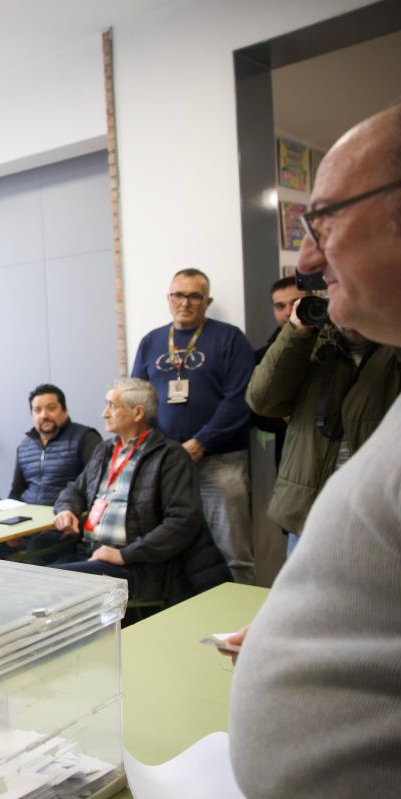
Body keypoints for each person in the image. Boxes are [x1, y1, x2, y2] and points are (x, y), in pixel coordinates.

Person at [228, 103, 401, 797]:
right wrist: (298, 635)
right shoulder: (315, 338)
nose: (305, 260)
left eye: (323, 221)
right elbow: (263, 398)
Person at [131, 268, 256, 584]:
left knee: (233, 551)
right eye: (179, 294)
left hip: (219, 462)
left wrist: (201, 442)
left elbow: (240, 399)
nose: (185, 302)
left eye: (194, 296)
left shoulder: (229, 338)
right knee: (170, 547)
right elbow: (138, 400)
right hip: (167, 464)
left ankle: (241, 612)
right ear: (168, 298)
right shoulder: (151, 341)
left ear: (207, 301)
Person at [246, 303, 401, 554]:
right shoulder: (312, 341)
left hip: (381, 512)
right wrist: (296, 333)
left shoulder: (391, 344)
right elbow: (262, 400)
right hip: (310, 511)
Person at [47, 378, 203, 602]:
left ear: (138, 413)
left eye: (111, 406)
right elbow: (74, 490)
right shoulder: (105, 450)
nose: (104, 413)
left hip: (135, 564)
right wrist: (66, 509)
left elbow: (183, 521)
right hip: (89, 551)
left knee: (49, 582)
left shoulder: (170, 456)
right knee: (29, 571)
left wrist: (124, 554)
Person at [250, 277, 308, 469]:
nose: (288, 312)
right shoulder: (263, 357)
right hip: (290, 452)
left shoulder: (334, 344)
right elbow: (257, 415)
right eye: (280, 306)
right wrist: (285, 416)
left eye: (295, 303)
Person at [9, 384, 102, 504]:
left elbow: (96, 487)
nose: (44, 415)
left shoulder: (86, 438)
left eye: (51, 408)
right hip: (28, 512)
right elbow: (16, 492)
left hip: (65, 511)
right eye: (37, 410)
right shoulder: (25, 446)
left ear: (65, 411)